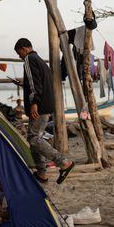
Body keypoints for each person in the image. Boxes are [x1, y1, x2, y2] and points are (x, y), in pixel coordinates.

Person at [14, 38, 75, 184]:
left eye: (19, 53)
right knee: (34, 137)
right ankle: (41, 173)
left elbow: (35, 84)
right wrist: (25, 84)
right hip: (47, 105)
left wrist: (34, 102)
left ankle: (64, 163)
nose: (19, 56)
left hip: (39, 106)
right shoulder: (40, 61)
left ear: (25, 49)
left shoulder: (29, 59)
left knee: (34, 138)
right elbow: (38, 82)